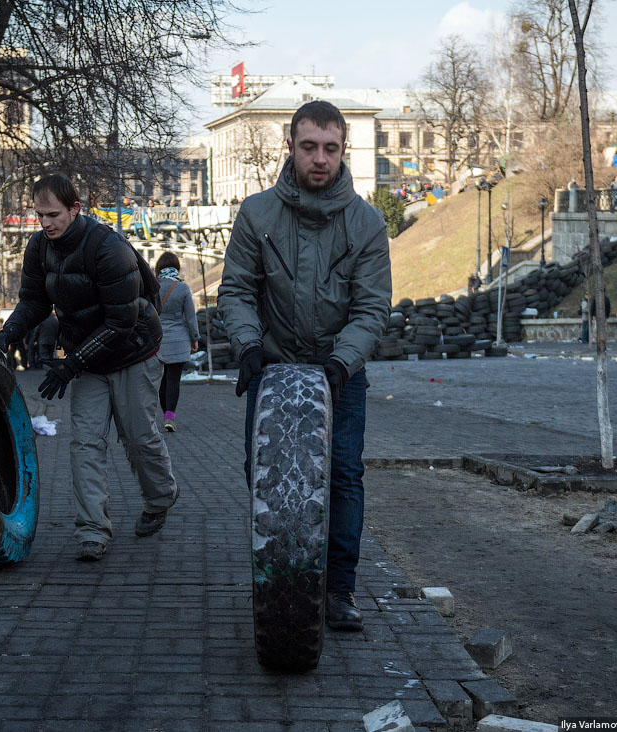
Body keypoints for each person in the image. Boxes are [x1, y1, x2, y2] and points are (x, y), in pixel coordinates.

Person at [218, 100, 391, 632]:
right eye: (309, 146)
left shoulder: (366, 223)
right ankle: (280, 575)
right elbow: (238, 290)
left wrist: (341, 366)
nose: (320, 158)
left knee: (341, 476)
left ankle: (338, 589)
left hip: (339, 372)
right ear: (290, 147)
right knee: (264, 475)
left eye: (330, 148)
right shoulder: (256, 213)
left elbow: (371, 307)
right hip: (272, 371)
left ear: (344, 151)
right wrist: (247, 346)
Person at [0, 174, 179, 562]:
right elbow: (34, 300)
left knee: (138, 436)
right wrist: (10, 332)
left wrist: (70, 365)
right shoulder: (39, 247)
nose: (46, 223)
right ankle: (93, 531)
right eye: (39, 216)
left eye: (54, 214)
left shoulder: (108, 247)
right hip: (89, 356)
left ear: (75, 209)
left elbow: (121, 322)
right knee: (85, 442)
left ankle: (161, 496)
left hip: (133, 350)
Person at [153, 251, 199, 433]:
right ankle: (169, 416)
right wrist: (194, 338)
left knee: (162, 381)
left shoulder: (153, 287)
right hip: (179, 341)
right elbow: (190, 317)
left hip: (158, 341)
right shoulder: (182, 288)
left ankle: (166, 415)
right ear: (176, 268)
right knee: (174, 379)